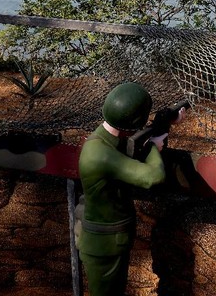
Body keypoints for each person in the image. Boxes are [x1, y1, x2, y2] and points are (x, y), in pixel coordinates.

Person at [77, 82, 184, 296]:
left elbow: (129, 145)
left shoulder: (105, 139)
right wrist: (154, 147)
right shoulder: (101, 154)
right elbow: (153, 178)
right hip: (104, 244)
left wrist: (162, 125)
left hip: (109, 241)